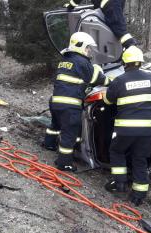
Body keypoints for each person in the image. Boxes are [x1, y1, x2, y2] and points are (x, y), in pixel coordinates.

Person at [102, 46, 151, 206]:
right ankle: (139, 194)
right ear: (140, 62)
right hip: (145, 130)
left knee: (117, 151)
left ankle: (119, 183)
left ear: (124, 63)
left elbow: (108, 100)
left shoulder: (120, 80)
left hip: (125, 129)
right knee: (140, 158)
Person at [43, 31, 110, 172]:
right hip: (70, 105)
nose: (89, 51)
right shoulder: (82, 62)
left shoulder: (65, 61)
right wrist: (109, 81)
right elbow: (96, 78)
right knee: (69, 133)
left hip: (55, 102)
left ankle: (48, 144)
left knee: (55, 125)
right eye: (88, 48)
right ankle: (64, 162)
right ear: (81, 46)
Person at [64, 0, 137, 48]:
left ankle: (131, 48)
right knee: (115, 27)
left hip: (109, 3)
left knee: (120, 30)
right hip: (115, 2)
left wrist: (71, 5)